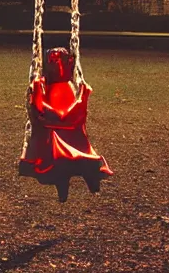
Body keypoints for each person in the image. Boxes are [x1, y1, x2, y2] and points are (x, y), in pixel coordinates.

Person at [19, 47, 113, 202]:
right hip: (55, 130)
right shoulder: (45, 86)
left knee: (75, 142)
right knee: (57, 142)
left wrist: (82, 98)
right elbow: (52, 115)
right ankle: (69, 180)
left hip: (67, 125)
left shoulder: (63, 87)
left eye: (62, 61)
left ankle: (85, 179)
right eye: (54, 62)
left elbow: (67, 117)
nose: (58, 66)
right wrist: (82, 99)